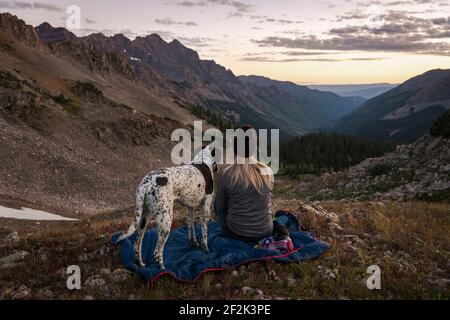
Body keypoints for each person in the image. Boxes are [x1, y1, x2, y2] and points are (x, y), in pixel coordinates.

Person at [214, 125, 274, 243]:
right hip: (265, 231)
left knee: (217, 204)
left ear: (235, 148)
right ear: (254, 146)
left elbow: (220, 208)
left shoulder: (227, 174)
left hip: (236, 233)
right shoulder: (268, 171)